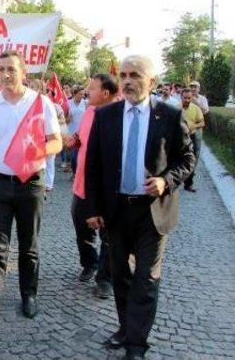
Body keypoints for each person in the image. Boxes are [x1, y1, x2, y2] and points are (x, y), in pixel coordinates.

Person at [85, 55, 195, 360]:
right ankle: (125, 328)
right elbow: (92, 165)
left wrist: (165, 181)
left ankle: (136, 345)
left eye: (135, 74)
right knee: (119, 275)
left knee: (146, 278)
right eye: (124, 75)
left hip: (153, 212)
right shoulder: (106, 116)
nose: (128, 80)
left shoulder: (170, 117)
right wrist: (92, 209)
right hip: (116, 210)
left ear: (152, 82)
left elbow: (187, 160)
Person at [0, 51, 62, 330]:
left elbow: (57, 142)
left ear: (23, 73)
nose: (6, 74)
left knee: (28, 246)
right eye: (2, 69)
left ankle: (28, 295)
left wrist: (35, 152)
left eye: (12, 69)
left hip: (30, 183)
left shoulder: (39, 103)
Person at [68, 73, 119, 299]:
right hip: (82, 184)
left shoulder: (119, 115)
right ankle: (89, 263)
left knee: (109, 233)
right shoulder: (89, 112)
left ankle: (105, 279)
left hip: (107, 188)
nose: (88, 92)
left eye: (92, 88)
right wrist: (74, 139)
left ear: (106, 93)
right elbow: (82, 137)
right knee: (81, 224)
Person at [181, 88, 205, 192]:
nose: (187, 100)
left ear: (192, 98)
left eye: (189, 98)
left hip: (192, 136)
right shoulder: (175, 108)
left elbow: (202, 123)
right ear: (181, 97)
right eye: (185, 98)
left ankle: (188, 184)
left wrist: (192, 126)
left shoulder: (196, 108)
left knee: (192, 159)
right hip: (179, 137)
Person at [67, 85, 87, 175]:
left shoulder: (86, 103)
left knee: (81, 155)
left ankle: (79, 174)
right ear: (75, 94)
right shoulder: (67, 103)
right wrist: (68, 118)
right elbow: (63, 119)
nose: (82, 96)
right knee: (73, 156)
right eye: (80, 94)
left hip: (83, 133)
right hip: (72, 133)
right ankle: (75, 172)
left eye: (83, 94)